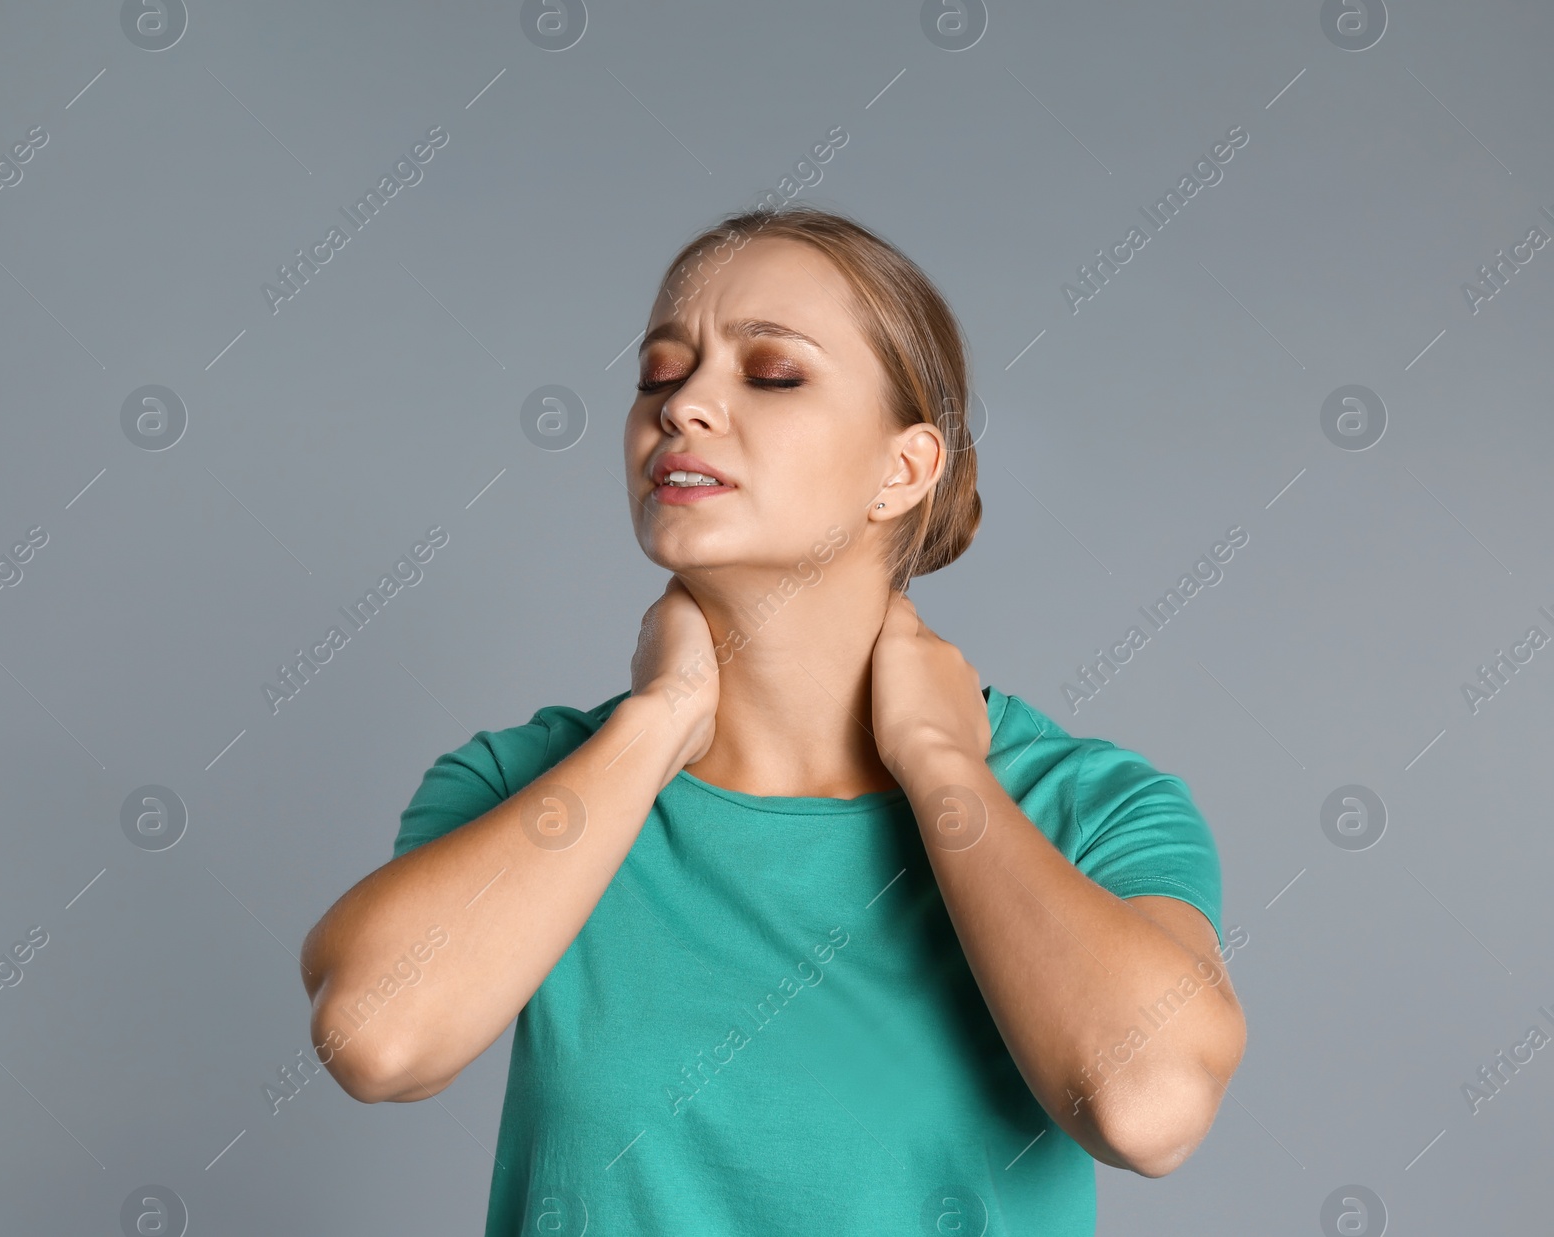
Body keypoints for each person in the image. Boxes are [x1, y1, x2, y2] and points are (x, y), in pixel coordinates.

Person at [299, 204, 1247, 1235]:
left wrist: (940, 766)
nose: (684, 405)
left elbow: (1148, 1107)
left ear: (904, 468)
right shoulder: (522, 784)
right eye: (660, 373)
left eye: (770, 373)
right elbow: (377, 1037)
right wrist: (656, 724)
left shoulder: (1089, 807)